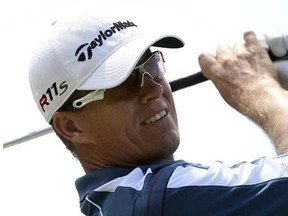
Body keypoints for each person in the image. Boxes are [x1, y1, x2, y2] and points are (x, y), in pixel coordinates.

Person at [29, 14, 288, 216]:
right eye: (124, 83)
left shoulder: (119, 202)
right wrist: (258, 88)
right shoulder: (158, 201)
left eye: (152, 66)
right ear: (72, 127)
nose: (154, 88)